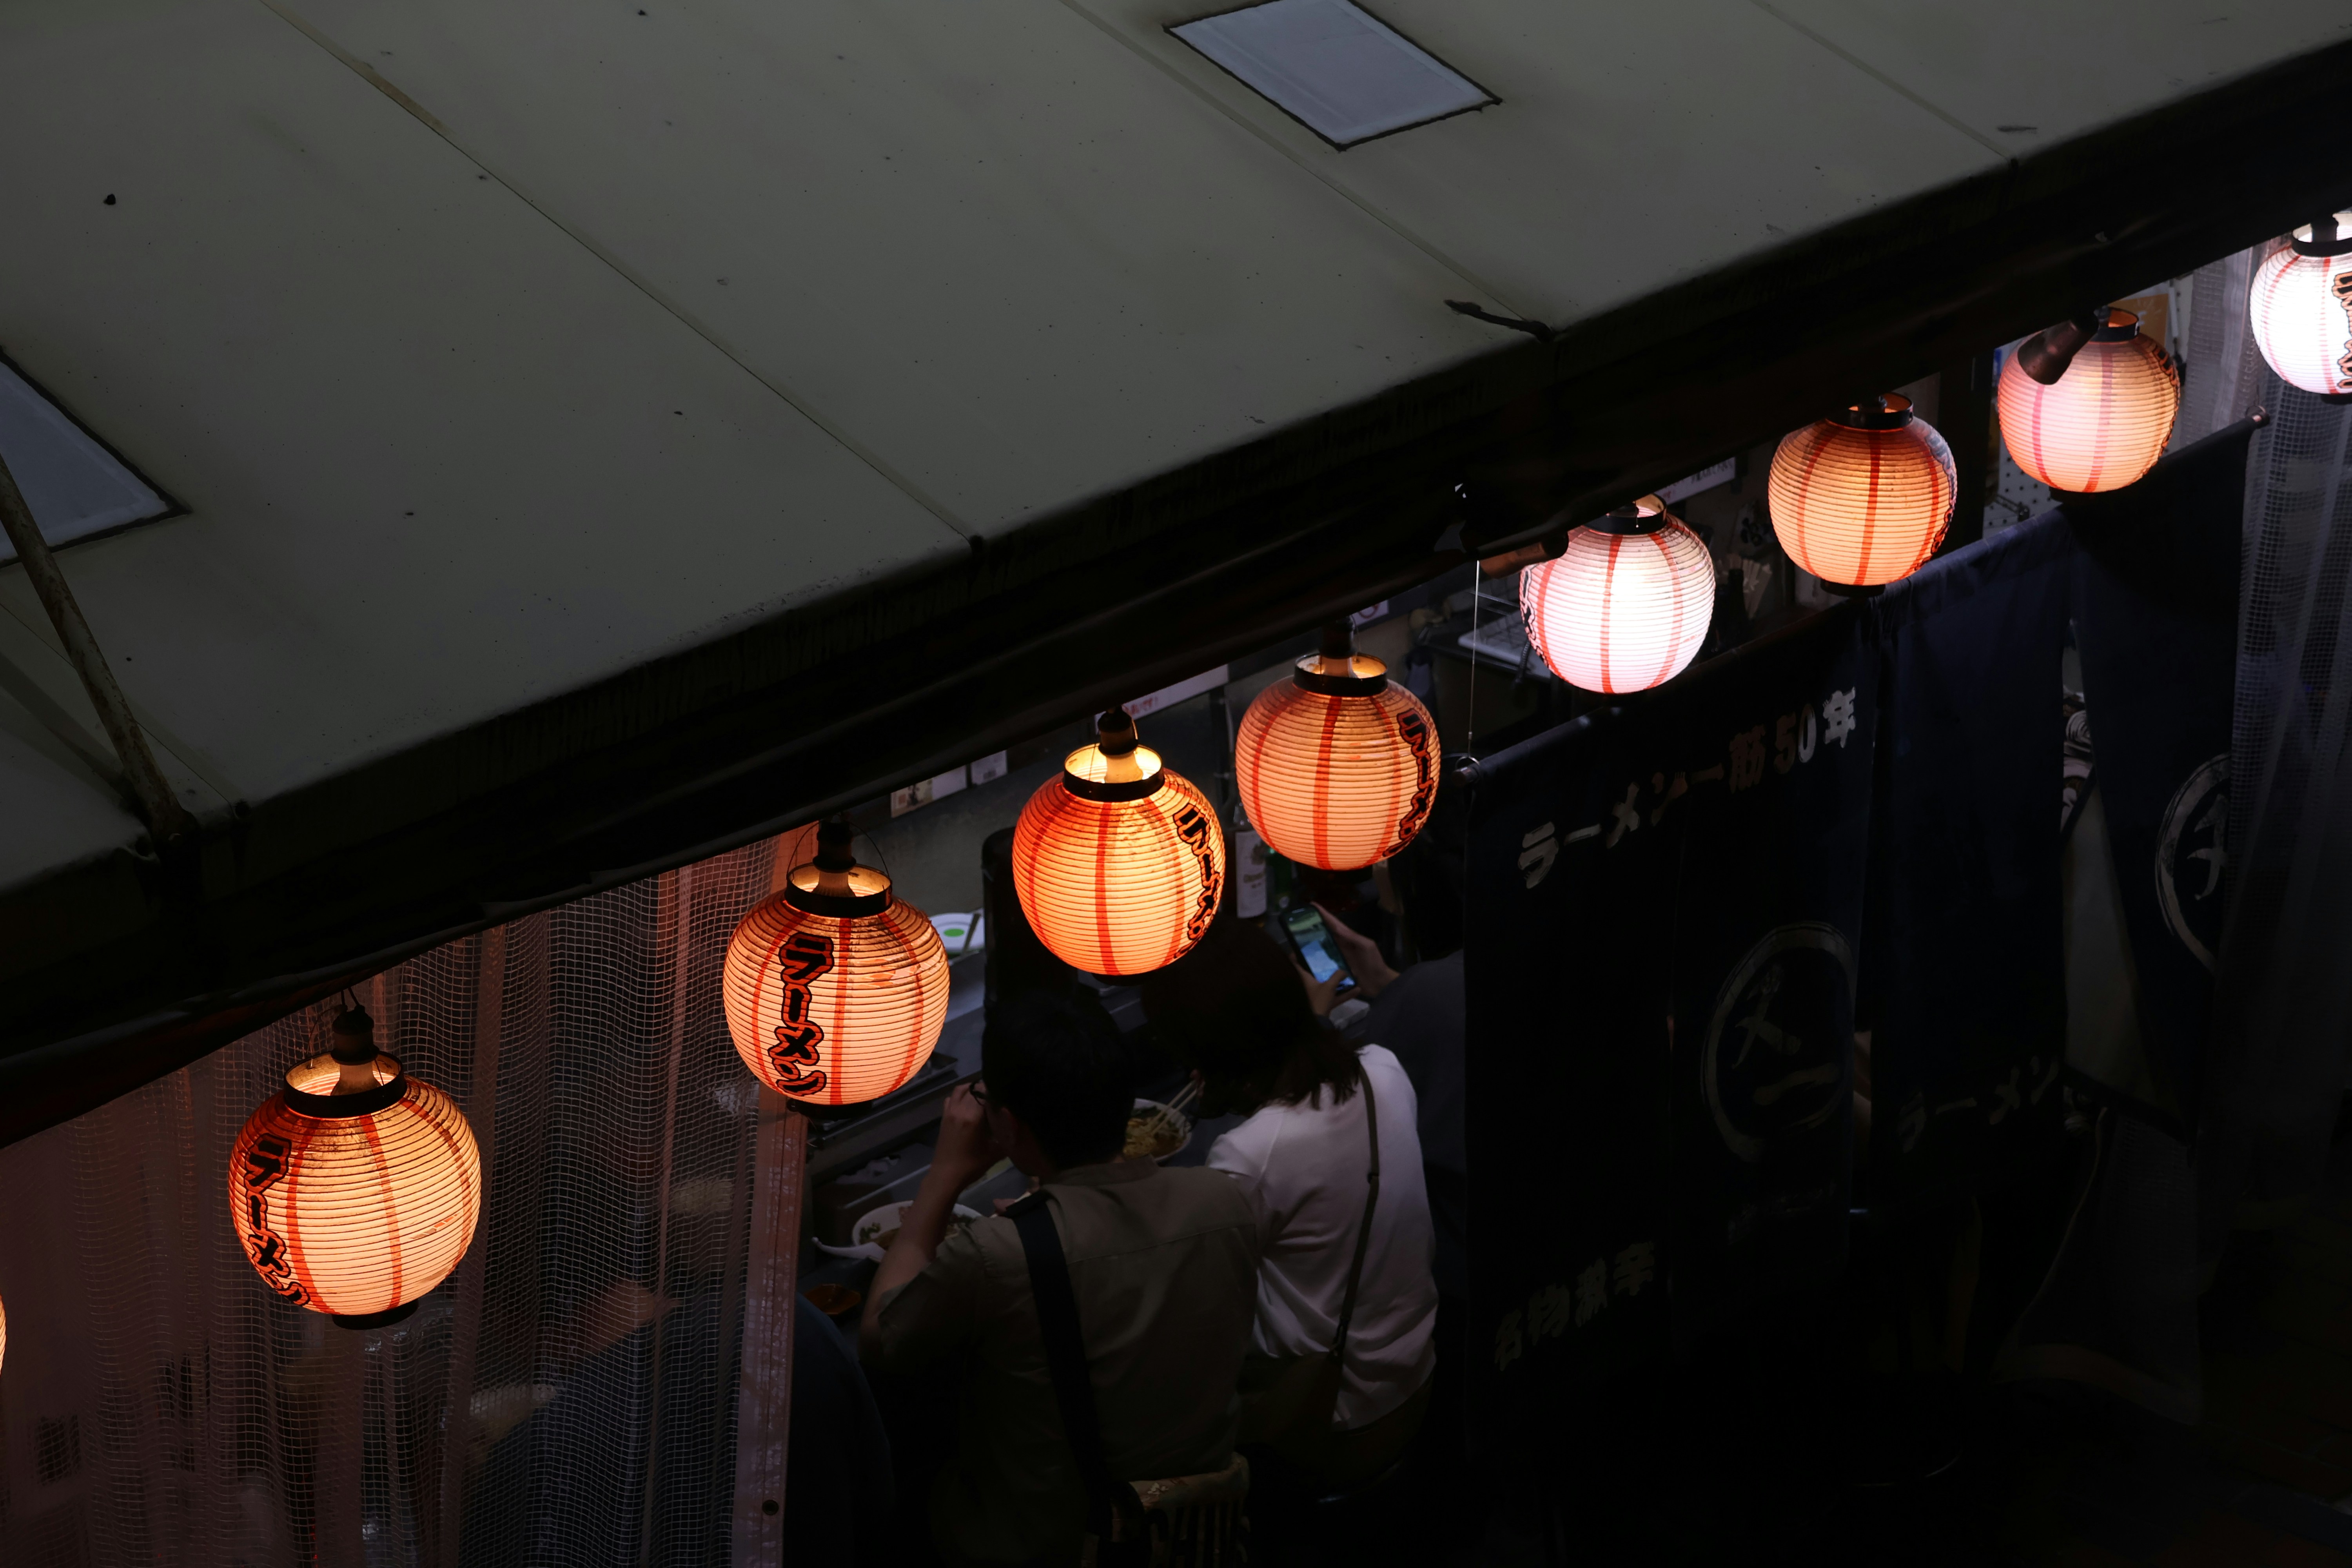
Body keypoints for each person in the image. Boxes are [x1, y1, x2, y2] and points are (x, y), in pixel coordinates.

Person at [860, 989, 1266, 1568]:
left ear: (1011, 1125)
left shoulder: (997, 1255)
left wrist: (944, 1175)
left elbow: (880, 1339)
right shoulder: (1225, 1199)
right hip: (1193, 1534)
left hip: (1056, 1543)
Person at [1141, 920, 1439, 1485]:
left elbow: (1195, 1296)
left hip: (1334, 1417)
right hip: (1418, 1376)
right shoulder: (1382, 1068)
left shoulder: (1250, 1156)